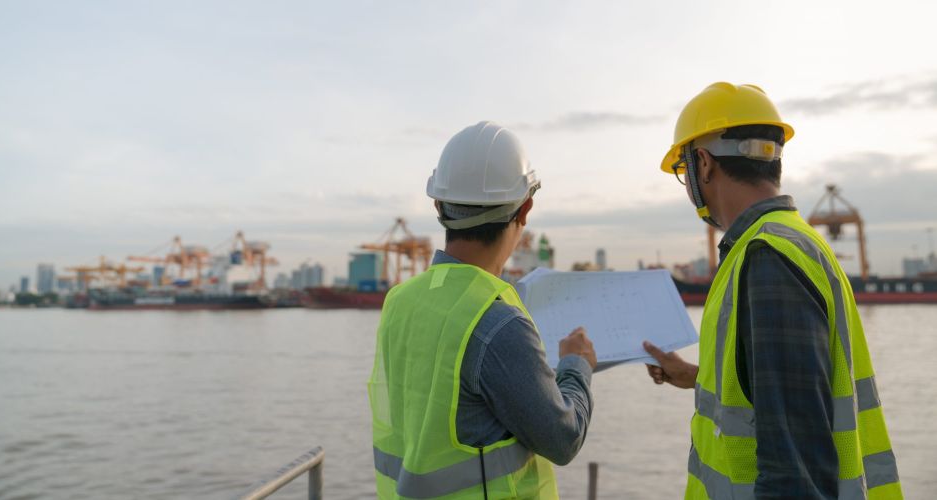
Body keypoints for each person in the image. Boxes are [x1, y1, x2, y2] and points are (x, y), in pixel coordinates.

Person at [643, 83, 902, 499]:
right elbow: (791, 393)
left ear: (704, 165)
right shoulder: (793, 242)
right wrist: (696, 377)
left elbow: (795, 473)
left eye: (684, 170)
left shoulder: (767, 259)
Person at [368, 121, 596, 499]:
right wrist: (577, 366)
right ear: (526, 208)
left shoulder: (399, 301)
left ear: (439, 206)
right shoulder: (497, 323)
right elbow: (562, 439)